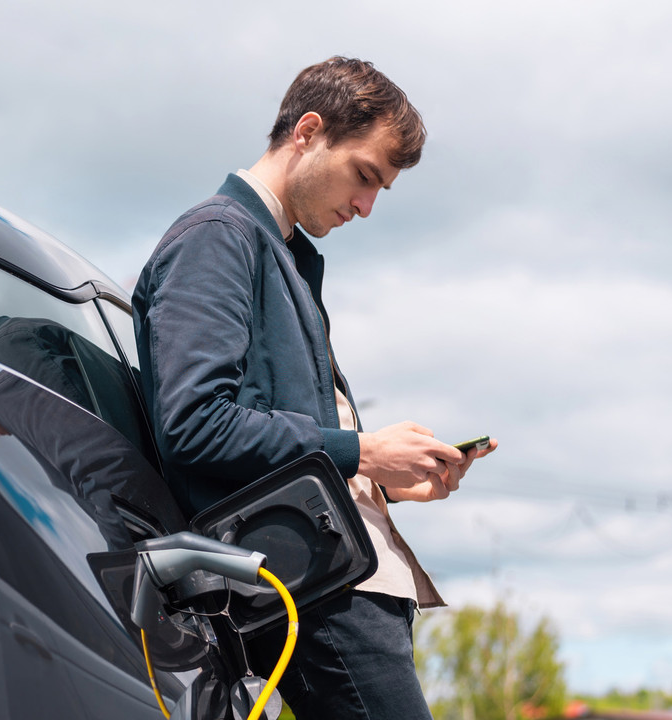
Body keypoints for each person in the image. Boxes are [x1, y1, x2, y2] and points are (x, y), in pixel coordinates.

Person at [132, 56, 498, 719]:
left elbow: (276, 435)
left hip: (339, 584)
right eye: (364, 176)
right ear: (307, 130)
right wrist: (361, 452)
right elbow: (195, 424)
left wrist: (385, 482)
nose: (365, 206)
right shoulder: (217, 238)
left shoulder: (282, 256)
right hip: (316, 591)